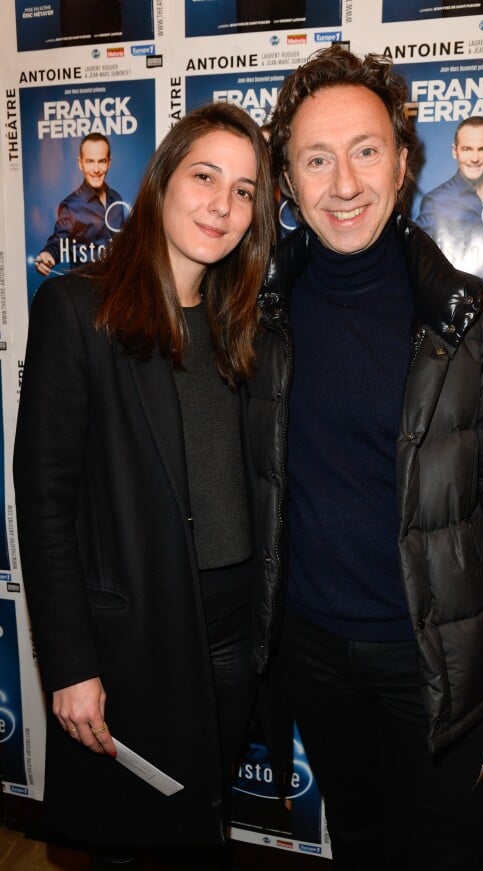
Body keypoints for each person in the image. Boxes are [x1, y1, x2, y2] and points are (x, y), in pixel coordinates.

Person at [248, 45, 483, 871]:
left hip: (437, 662)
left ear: (402, 161)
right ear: (288, 183)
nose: (345, 182)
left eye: (365, 151)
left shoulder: (474, 319)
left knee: (446, 856)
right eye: (316, 160)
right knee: (358, 844)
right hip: (312, 655)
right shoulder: (258, 313)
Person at [14, 102, 276, 869]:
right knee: (129, 841)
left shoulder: (244, 318)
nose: (221, 205)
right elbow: (46, 500)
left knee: (195, 829)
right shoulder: (78, 308)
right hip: (132, 638)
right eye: (204, 177)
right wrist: (68, 663)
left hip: (233, 634)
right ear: (162, 180)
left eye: (244, 189)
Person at [415, 117, 483, 285]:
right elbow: (420, 265)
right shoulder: (435, 202)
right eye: (467, 149)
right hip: (451, 305)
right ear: (455, 151)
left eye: (482, 149)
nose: (474, 158)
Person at [35, 133, 126, 277]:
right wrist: (48, 254)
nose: (96, 169)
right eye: (90, 161)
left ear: (109, 162)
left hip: (115, 287)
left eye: (101, 161)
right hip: (83, 290)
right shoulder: (71, 206)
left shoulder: (116, 199)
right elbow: (58, 242)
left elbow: (123, 244)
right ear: (80, 163)